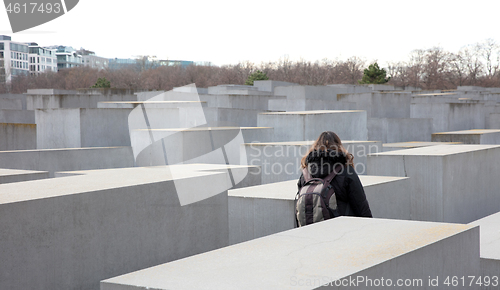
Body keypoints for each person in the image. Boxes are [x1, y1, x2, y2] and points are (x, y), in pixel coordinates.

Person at [297, 131, 372, 217]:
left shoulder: (305, 174)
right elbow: (361, 205)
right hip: (341, 226)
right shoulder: (346, 170)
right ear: (339, 147)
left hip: (313, 228)